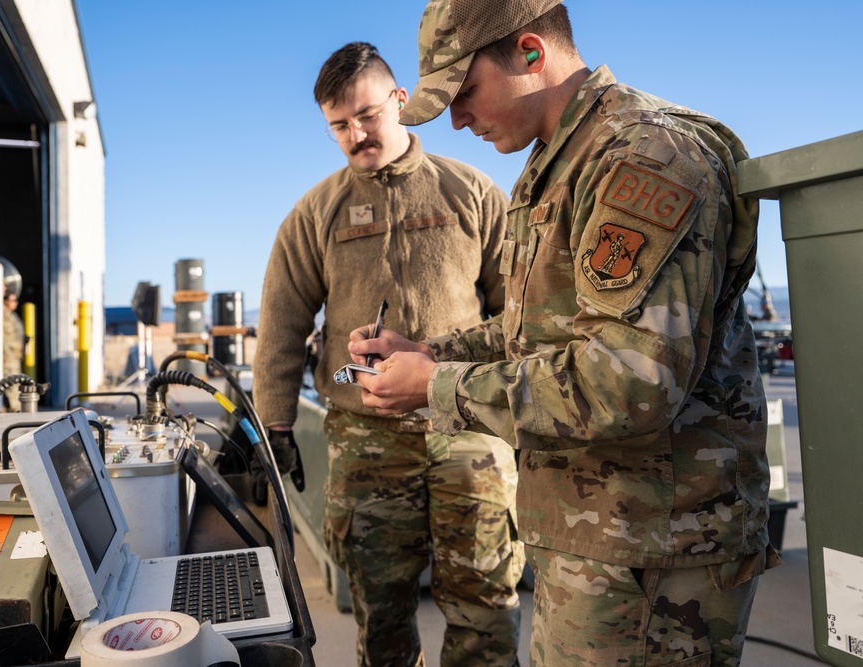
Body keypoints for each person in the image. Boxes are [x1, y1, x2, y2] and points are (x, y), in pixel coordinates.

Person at [349, 3, 780, 665]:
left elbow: (628, 382)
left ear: (530, 52)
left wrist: (437, 386)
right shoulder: (562, 157)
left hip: (653, 559)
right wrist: (429, 353)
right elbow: (536, 332)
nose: (458, 120)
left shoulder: (642, 155)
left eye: (464, 92)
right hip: (598, 541)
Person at [252, 42, 524, 667]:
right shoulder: (317, 213)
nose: (355, 135)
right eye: (339, 125)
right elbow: (282, 323)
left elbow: (522, 310)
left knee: (485, 601)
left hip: (468, 427)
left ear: (400, 101)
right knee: (380, 608)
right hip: (365, 440)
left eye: (367, 116)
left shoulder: (471, 193)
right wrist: (276, 422)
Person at [2, 284, 25, 410]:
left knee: (15, 386)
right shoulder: (2, 314)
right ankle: (14, 412)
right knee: (12, 387)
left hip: (14, 358)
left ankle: (14, 410)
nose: (16, 303)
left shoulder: (12, 316)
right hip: (7, 359)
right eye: (13, 300)